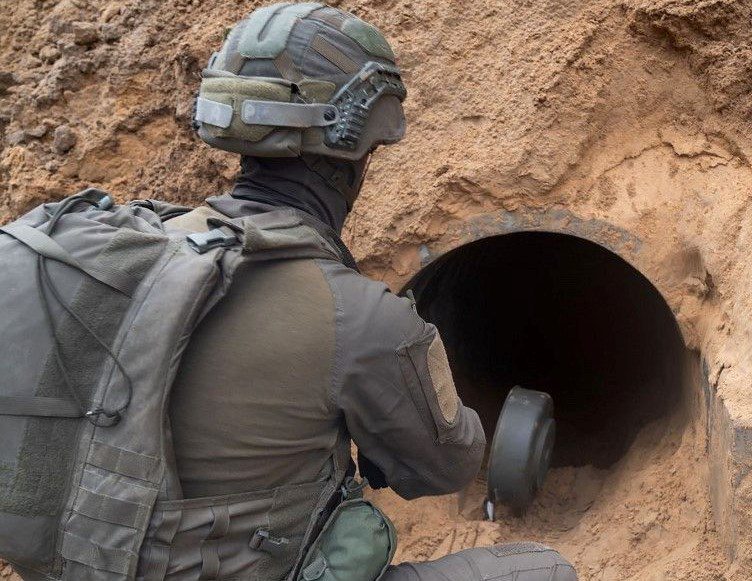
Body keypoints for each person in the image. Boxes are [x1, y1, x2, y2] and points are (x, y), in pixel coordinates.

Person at [161, 3, 577, 580]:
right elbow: (446, 466)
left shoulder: (131, 248)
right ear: (359, 152)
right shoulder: (358, 318)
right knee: (544, 572)